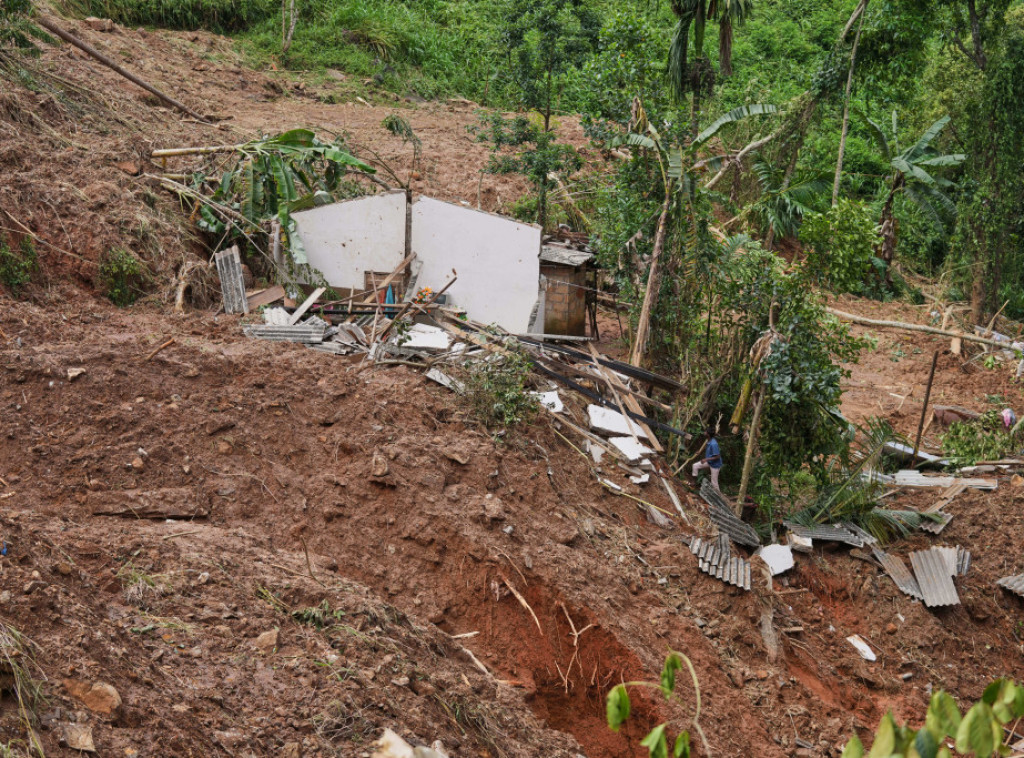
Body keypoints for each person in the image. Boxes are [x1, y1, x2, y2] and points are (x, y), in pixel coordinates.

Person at [692, 426, 723, 493]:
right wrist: (700, 451)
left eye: (705, 432)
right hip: (710, 462)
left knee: (714, 483)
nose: (704, 432)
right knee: (695, 466)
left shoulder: (714, 444)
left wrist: (706, 460)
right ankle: (694, 483)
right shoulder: (709, 440)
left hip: (715, 465)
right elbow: (706, 446)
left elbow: (717, 456)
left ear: (708, 434)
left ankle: (719, 498)